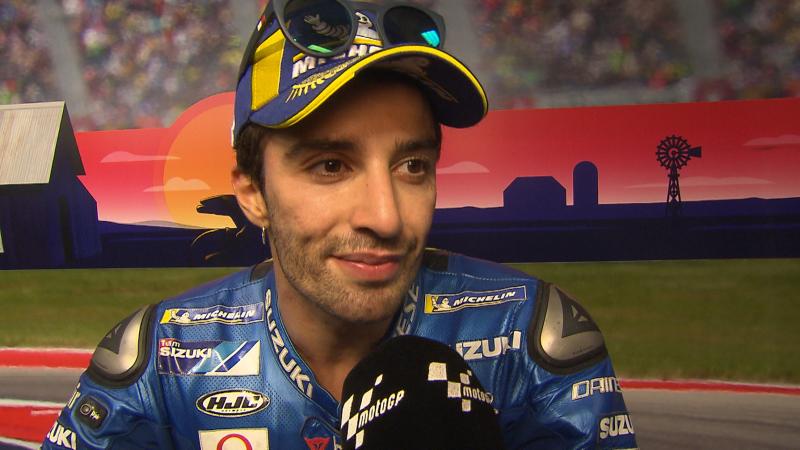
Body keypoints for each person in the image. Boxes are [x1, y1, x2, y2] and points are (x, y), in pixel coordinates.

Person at [44, 1, 637, 449]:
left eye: (412, 166)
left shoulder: (532, 342)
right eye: (330, 165)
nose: (385, 216)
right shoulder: (158, 363)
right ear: (253, 193)